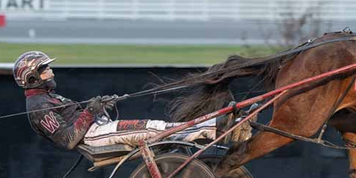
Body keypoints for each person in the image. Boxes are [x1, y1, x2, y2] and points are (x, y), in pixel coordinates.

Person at [14, 51, 241, 150]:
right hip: (94, 138)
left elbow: (77, 120)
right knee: (153, 129)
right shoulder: (38, 107)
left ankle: (212, 127)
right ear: (31, 77)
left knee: (155, 128)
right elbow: (67, 140)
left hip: (97, 130)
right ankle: (214, 129)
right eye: (45, 69)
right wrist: (90, 112)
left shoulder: (46, 98)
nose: (51, 71)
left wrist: (98, 108)